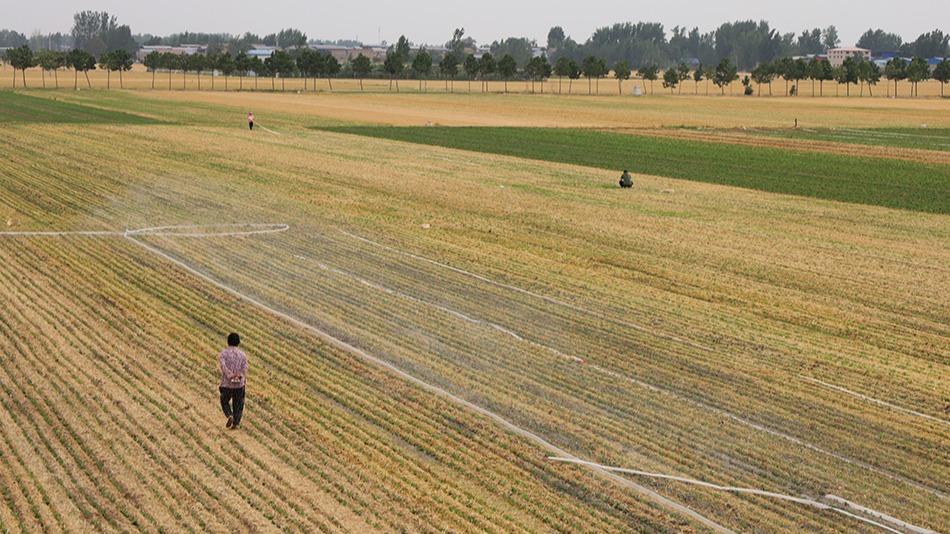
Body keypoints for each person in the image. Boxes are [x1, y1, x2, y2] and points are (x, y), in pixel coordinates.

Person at [219, 332, 248, 430]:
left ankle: (229, 415)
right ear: (238, 342)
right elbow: (245, 368)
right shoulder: (243, 355)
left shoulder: (223, 354)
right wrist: (238, 376)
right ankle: (236, 423)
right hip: (239, 384)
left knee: (224, 401)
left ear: (228, 342)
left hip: (227, 384)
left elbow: (223, 366)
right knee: (238, 403)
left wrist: (230, 376)